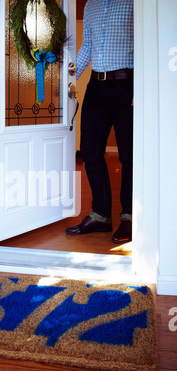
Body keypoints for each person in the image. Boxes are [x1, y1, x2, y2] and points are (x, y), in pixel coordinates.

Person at [66, 0, 134, 244]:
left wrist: (141, 86)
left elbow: (143, 43)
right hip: (96, 85)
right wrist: (66, 74)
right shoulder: (91, 5)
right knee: (90, 151)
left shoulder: (133, 2)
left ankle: (129, 217)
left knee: (129, 155)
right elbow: (87, 48)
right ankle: (102, 215)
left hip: (126, 83)